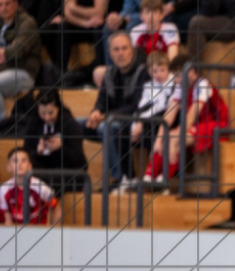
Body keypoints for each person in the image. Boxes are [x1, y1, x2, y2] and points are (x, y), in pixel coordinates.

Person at [83, 31, 148, 185]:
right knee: (73, 125)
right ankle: (75, 179)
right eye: (116, 49)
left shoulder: (143, 72)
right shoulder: (110, 72)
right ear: (110, 54)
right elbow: (102, 100)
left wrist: (106, 116)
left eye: (124, 48)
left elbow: (137, 105)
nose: (121, 53)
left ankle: (122, 178)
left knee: (107, 127)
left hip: (136, 122)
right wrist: (96, 112)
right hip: (111, 120)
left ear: (132, 50)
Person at [144, 59, 227, 181]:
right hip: (199, 125)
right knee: (165, 137)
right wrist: (158, 139)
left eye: (179, 76)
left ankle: (164, 180)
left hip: (217, 125)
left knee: (175, 138)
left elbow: (193, 113)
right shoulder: (181, 85)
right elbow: (169, 114)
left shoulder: (202, 84)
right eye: (175, 76)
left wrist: (177, 136)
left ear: (191, 72)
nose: (176, 80)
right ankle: (149, 177)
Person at [23, 89, 88, 193]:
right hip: (41, 171)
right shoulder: (33, 124)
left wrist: (61, 148)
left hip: (66, 173)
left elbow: (80, 162)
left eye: (50, 113)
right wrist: (37, 152)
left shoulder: (70, 125)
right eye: (43, 113)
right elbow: (26, 153)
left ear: (58, 108)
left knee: (48, 182)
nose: (47, 117)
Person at [133, 50, 176, 184]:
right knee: (125, 129)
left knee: (153, 124)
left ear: (168, 68)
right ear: (149, 71)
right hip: (150, 119)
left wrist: (143, 122)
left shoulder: (174, 83)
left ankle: (156, 171)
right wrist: (137, 123)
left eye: (162, 70)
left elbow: (165, 106)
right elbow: (143, 107)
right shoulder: (148, 86)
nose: (158, 75)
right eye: (154, 71)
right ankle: (129, 176)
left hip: (170, 117)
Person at [0, 146, 60, 225]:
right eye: (15, 161)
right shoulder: (3, 190)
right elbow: (7, 219)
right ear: (8, 167)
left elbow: (56, 209)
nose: (20, 164)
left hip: (39, 232)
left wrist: (55, 233)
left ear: (30, 166)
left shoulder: (42, 188)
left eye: (24, 160)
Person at [0, 0, 40, 114]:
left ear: (16, 5)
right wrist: (7, 51)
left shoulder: (27, 23)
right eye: (0, 5)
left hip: (22, 73)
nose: (4, 8)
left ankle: (2, 127)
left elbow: (17, 52)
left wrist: (6, 53)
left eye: (7, 4)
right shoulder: (1, 23)